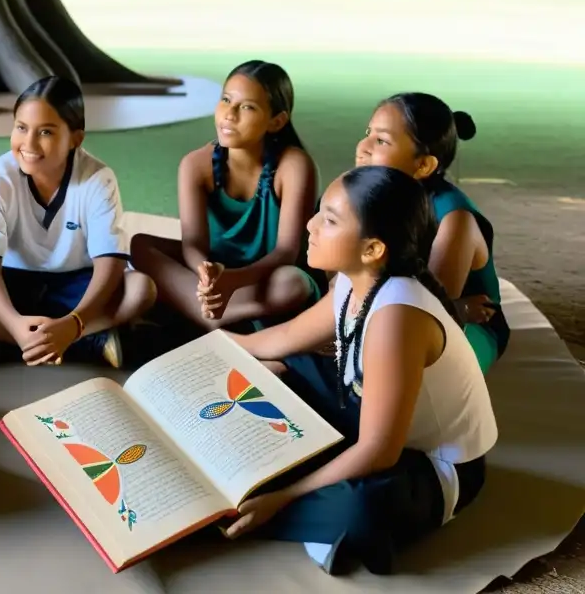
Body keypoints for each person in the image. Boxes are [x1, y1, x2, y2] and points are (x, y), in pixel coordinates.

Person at [223, 166, 497, 576]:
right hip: (372, 417)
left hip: (432, 465)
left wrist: (283, 497)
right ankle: (291, 493)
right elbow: (275, 340)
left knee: (359, 510)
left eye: (330, 220)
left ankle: (262, 507)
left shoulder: (398, 315)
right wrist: (205, 351)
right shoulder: (356, 282)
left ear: (372, 249)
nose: (311, 225)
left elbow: (378, 451)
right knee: (281, 369)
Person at [0, 75, 157, 369]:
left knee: (142, 289)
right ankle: (54, 340)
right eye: (21, 128)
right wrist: (14, 323)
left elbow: (110, 264)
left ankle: (44, 338)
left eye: (46, 132)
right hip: (12, 282)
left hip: (78, 282)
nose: (29, 143)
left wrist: (76, 322)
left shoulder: (97, 179)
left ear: (75, 140)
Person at [130, 60, 323, 335]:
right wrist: (205, 274)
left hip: (265, 277)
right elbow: (193, 244)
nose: (229, 114)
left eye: (247, 107)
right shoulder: (195, 165)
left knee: (293, 283)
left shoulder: (294, 167)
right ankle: (219, 315)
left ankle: (207, 317)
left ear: (276, 121)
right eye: (226, 100)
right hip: (219, 274)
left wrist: (232, 281)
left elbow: (286, 253)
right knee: (141, 245)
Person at [356, 93, 508, 372]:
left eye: (381, 141)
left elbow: (432, 307)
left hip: (466, 322)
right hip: (396, 307)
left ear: (424, 165)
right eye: (368, 133)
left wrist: (459, 309)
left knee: (408, 357)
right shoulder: (368, 195)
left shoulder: (454, 218)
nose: (362, 147)